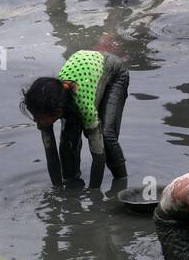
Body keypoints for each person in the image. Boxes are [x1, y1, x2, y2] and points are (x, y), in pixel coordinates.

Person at [21, 50, 129, 189]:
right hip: (84, 75)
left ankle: (121, 183)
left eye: (38, 118)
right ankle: (72, 184)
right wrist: (58, 190)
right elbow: (51, 154)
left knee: (106, 137)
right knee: (67, 146)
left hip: (114, 73)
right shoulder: (46, 105)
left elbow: (98, 157)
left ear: (57, 113)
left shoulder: (84, 107)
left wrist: (93, 195)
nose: (35, 121)